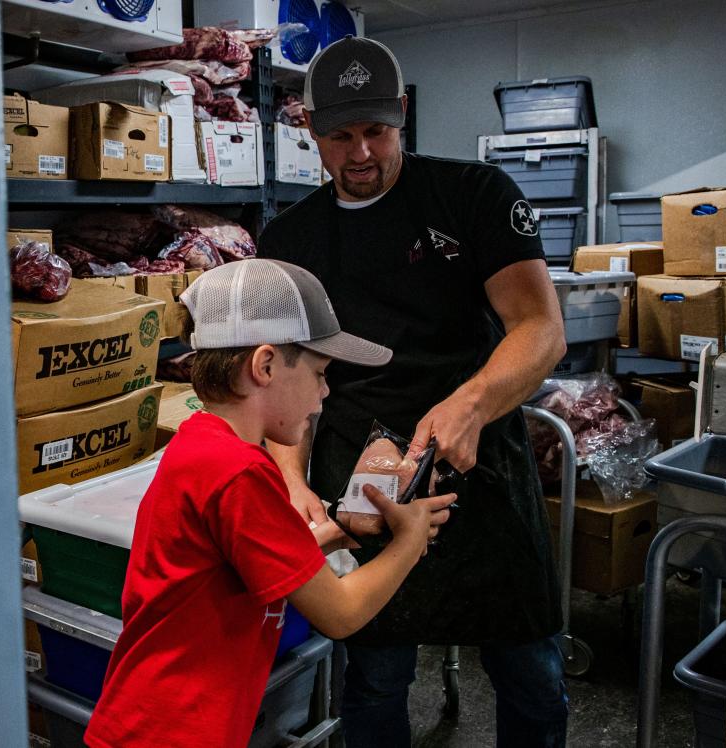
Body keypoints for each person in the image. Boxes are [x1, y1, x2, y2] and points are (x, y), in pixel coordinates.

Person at [258, 35, 570, 748]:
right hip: (358, 468)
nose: (360, 153)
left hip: (476, 453)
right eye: (340, 136)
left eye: (376, 131)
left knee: (528, 667)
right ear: (309, 131)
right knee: (373, 674)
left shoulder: (472, 196)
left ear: (401, 114)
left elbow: (538, 328)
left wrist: (468, 403)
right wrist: (290, 479)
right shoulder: (290, 237)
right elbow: (289, 378)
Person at [83, 259, 455, 748]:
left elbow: (249, 560)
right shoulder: (242, 473)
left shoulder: (201, 444)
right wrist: (406, 541)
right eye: (320, 373)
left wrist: (342, 531)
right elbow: (339, 613)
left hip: (147, 722)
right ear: (264, 366)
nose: (324, 394)